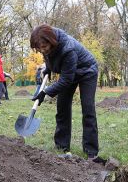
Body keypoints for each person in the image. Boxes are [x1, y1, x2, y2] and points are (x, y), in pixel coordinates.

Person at [30, 24, 104, 163]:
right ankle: (62, 147)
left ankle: (91, 152)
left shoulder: (67, 49)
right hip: (68, 72)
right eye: (38, 49)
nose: (42, 51)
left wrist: (45, 92)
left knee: (88, 109)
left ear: (51, 42)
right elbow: (50, 57)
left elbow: (66, 80)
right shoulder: (47, 45)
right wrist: (48, 68)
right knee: (62, 108)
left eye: (44, 47)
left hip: (87, 71)